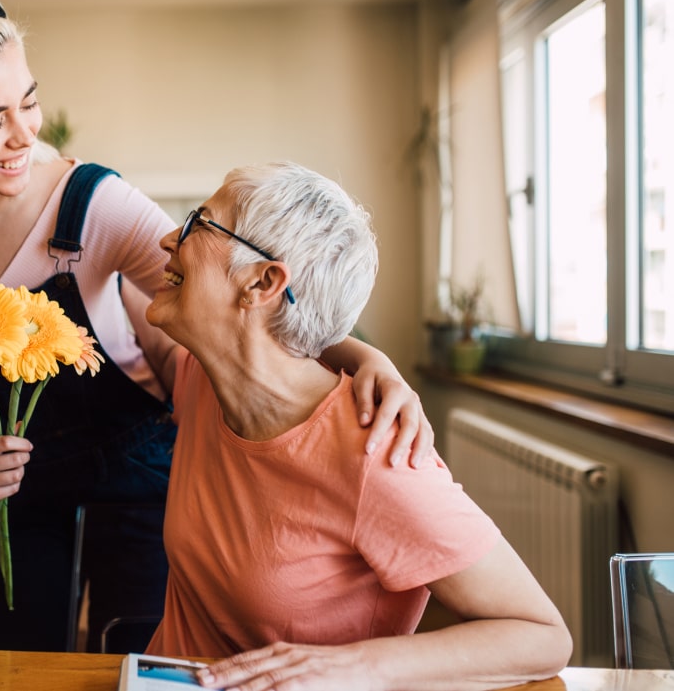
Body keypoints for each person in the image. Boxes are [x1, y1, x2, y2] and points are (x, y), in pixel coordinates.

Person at [0, 0, 435, 652]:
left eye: (28, 103)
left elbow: (238, 306)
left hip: (143, 475)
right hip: (10, 499)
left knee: (137, 655)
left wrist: (366, 358)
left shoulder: (91, 203)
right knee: (16, 663)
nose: (23, 135)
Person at [143, 162, 572, 689]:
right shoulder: (205, 376)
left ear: (262, 281)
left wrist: (357, 665)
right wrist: (367, 353)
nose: (168, 237)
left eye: (196, 223)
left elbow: (542, 635)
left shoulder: (376, 452)